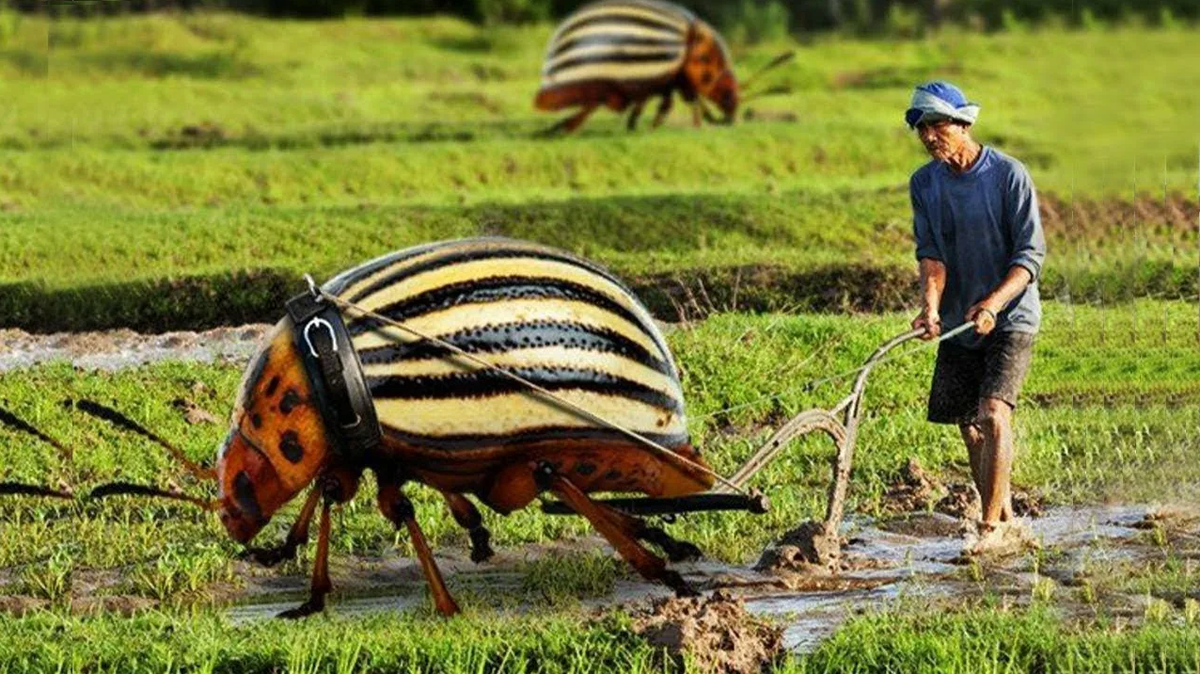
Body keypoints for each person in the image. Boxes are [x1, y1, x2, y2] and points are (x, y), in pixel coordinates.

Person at [905, 81, 1046, 555]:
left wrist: (992, 304)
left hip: (1010, 315)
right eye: (921, 128)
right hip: (959, 319)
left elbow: (1029, 257)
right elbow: (931, 255)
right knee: (968, 425)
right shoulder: (925, 183)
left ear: (963, 123)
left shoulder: (1008, 175)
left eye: (936, 125)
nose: (928, 136)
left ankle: (988, 531)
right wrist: (930, 307)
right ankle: (1003, 516)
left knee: (993, 414)